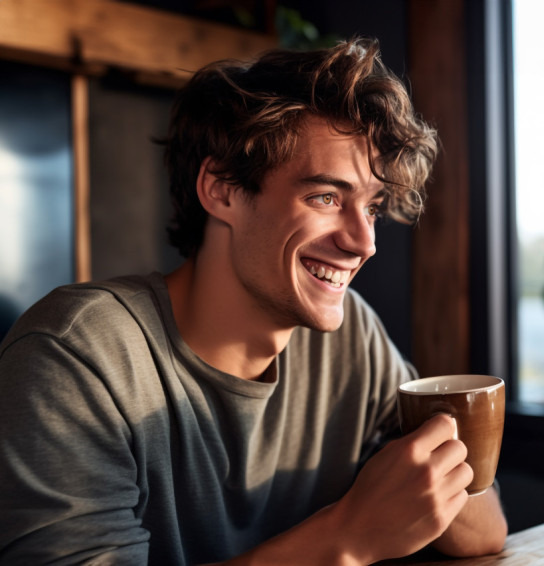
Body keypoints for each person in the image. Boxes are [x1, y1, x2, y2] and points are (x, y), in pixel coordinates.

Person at [0, 38, 507, 565]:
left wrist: (429, 478)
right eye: (326, 198)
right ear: (222, 189)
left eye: (372, 208)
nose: (364, 242)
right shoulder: (76, 354)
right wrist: (346, 538)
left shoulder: (352, 337)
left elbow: (487, 533)